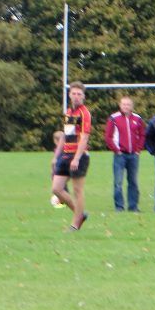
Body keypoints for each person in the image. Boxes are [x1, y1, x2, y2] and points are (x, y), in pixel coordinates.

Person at [51, 82, 92, 231]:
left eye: (79, 94)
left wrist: (76, 158)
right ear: (69, 95)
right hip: (66, 155)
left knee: (77, 190)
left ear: (83, 97)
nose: (76, 97)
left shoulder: (84, 113)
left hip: (78, 156)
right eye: (74, 94)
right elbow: (64, 136)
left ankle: (75, 225)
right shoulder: (68, 112)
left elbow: (84, 137)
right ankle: (79, 213)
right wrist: (56, 156)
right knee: (56, 189)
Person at [105, 96, 145, 212]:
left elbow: (142, 135)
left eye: (128, 104)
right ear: (120, 105)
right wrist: (116, 150)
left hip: (133, 155)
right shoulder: (114, 118)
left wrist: (138, 150)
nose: (126, 106)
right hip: (120, 155)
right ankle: (119, 207)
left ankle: (133, 206)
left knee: (133, 181)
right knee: (118, 182)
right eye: (124, 104)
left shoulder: (137, 119)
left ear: (131, 106)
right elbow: (108, 137)